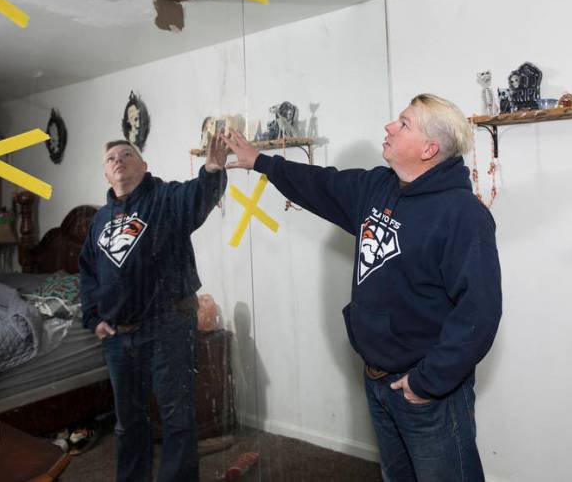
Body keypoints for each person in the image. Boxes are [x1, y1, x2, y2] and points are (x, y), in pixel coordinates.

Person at [221, 93, 503, 481]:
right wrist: (261, 162)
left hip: (427, 392)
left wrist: (425, 383)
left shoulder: (464, 215)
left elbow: (479, 312)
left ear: (429, 148)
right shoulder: (378, 187)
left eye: (404, 124)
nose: (389, 127)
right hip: (377, 381)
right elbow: (320, 184)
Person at [79, 137, 227, 482]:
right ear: (106, 173)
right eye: (112, 158)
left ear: (143, 166)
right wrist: (93, 317)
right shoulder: (99, 220)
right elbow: (86, 271)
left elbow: (197, 199)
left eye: (127, 155)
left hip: (168, 326)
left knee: (177, 419)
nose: (119, 161)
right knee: (128, 422)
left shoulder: (164, 198)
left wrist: (212, 170)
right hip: (118, 337)